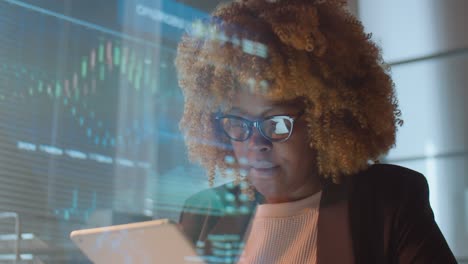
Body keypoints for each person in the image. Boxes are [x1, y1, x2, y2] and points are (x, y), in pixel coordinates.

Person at [174, 0, 457, 263]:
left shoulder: (386, 201)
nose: (255, 143)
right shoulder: (204, 213)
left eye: (276, 122)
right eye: (238, 122)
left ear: (325, 119)